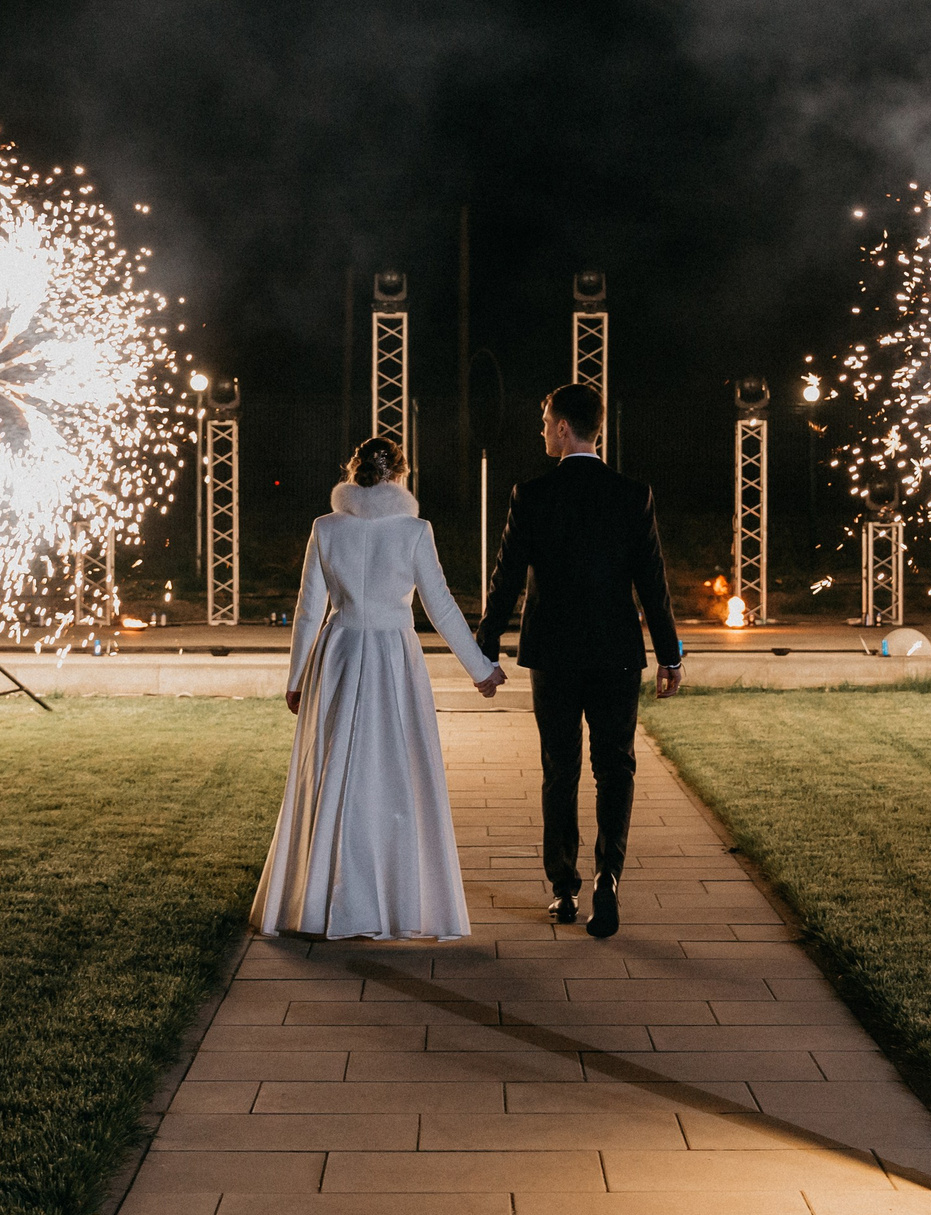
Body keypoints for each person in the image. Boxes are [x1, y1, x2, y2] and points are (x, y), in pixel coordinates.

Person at [249, 436, 505, 941]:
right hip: (393, 657)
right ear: (401, 475)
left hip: (339, 652)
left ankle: (324, 899)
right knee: (395, 771)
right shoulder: (414, 530)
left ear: (353, 471)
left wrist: (296, 677)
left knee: (335, 770)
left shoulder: (326, 528)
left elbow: (307, 612)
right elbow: (441, 607)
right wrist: (480, 669)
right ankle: (397, 899)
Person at [475, 383, 684, 940]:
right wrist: (670, 654)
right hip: (616, 652)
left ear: (565, 428)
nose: (541, 429)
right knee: (616, 768)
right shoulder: (632, 494)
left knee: (559, 769)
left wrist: (486, 646)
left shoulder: (532, 495)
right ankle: (608, 877)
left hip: (555, 655)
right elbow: (653, 585)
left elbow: (506, 579)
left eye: (545, 420)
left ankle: (564, 888)